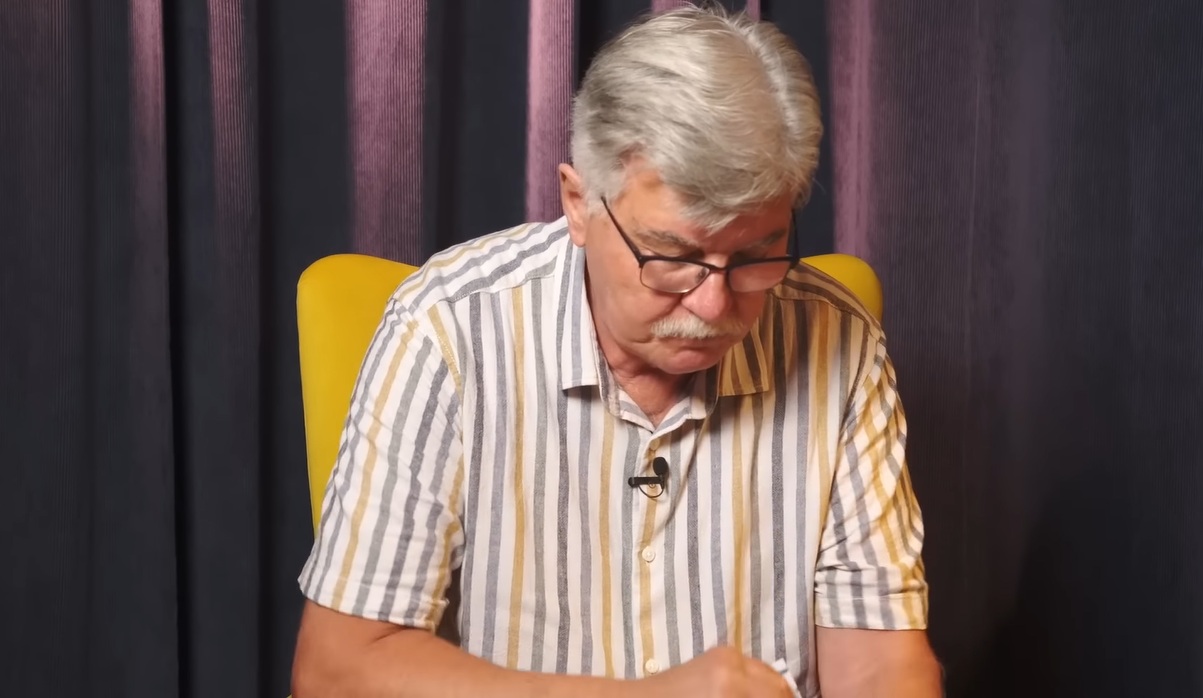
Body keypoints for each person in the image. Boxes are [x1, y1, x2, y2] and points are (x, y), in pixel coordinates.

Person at [292, 5, 941, 697]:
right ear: (579, 203)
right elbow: (336, 670)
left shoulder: (839, 340)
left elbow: (879, 664)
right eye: (672, 256)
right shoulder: (446, 327)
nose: (712, 306)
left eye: (755, 256)